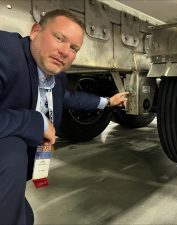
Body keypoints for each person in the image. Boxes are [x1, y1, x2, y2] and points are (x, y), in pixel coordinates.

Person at [0, 9, 128, 225]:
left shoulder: (55, 80)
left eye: (74, 48)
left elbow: (70, 98)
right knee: (12, 148)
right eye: (60, 38)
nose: (65, 52)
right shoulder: (5, 50)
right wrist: (37, 122)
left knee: (26, 217)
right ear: (35, 31)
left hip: (14, 178)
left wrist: (108, 101)